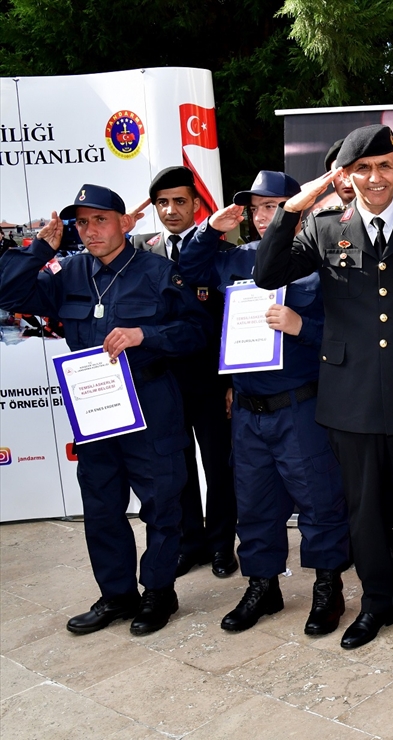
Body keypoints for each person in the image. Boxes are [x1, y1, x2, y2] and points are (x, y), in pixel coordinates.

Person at [255, 125, 393, 652]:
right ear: (346, 175)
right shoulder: (325, 227)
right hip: (349, 394)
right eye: (363, 169)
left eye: (386, 166)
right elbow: (267, 272)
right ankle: (374, 604)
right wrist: (298, 205)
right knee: (364, 511)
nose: (376, 178)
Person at [0, 184, 208, 635]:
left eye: (100, 220)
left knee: (160, 502)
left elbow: (196, 332)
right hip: (94, 410)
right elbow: (9, 294)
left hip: (150, 402)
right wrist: (39, 248)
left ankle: (158, 592)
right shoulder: (69, 273)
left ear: (124, 222)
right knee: (100, 504)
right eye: (82, 222)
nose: (90, 231)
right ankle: (116, 595)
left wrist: (145, 336)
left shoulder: (158, 272)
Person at [178, 170, 351, 636]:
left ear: (297, 211)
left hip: (300, 405)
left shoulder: (324, 260)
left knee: (319, 501)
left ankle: (327, 586)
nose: (261, 216)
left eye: (272, 207)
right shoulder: (238, 259)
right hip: (249, 410)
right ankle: (263, 584)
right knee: (254, 503)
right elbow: (189, 268)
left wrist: (303, 327)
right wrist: (211, 227)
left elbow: (352, 335)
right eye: (256, 209)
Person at [132, 166, 239, 579]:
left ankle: (222, 545)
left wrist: (232, 382)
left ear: (197, 205)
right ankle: (190, 541)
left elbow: (233, 322)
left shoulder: (224, 251)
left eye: (179, 201)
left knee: (218, 465)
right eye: (162, 202)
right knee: (177, 469)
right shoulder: (140, 254)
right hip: (162, 380)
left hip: (210, 381)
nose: (171, 209)